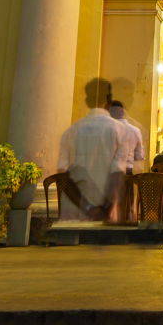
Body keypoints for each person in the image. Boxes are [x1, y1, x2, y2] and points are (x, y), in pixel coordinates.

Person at [56, 79, 125, 221]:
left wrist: (89, 208)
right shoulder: (120, 130)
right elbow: (117, 175)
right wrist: (105, 210)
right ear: (109, 101)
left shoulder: (70, 131)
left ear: (87, 101)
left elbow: (63, 176)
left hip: (74, 210)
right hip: (106, 213)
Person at [108, 100, 146, 221]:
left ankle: (113, 225)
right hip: (128, 171)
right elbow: (140, 155)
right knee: (128, 201)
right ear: (123, 112)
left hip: (112, 171)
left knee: (111, 203)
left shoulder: (109, 128)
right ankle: (127, 221)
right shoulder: (135, 130)